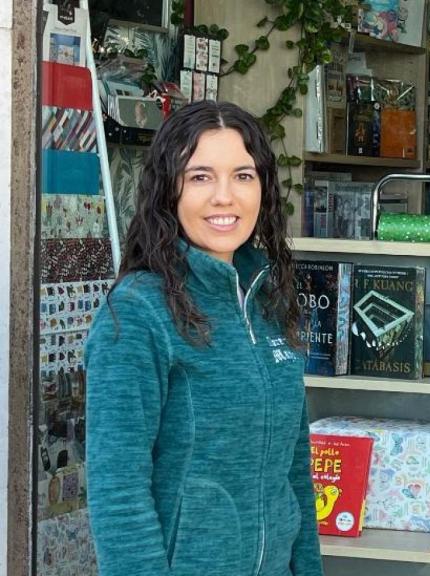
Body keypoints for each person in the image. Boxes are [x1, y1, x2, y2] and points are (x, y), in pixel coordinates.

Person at [85, 100, 323, 576]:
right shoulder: (137, 313)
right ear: (167, 190)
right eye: (200, 177)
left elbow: (294, 468)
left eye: (243, 175)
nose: (224, 197)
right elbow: (118, 489)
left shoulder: (268, 300)